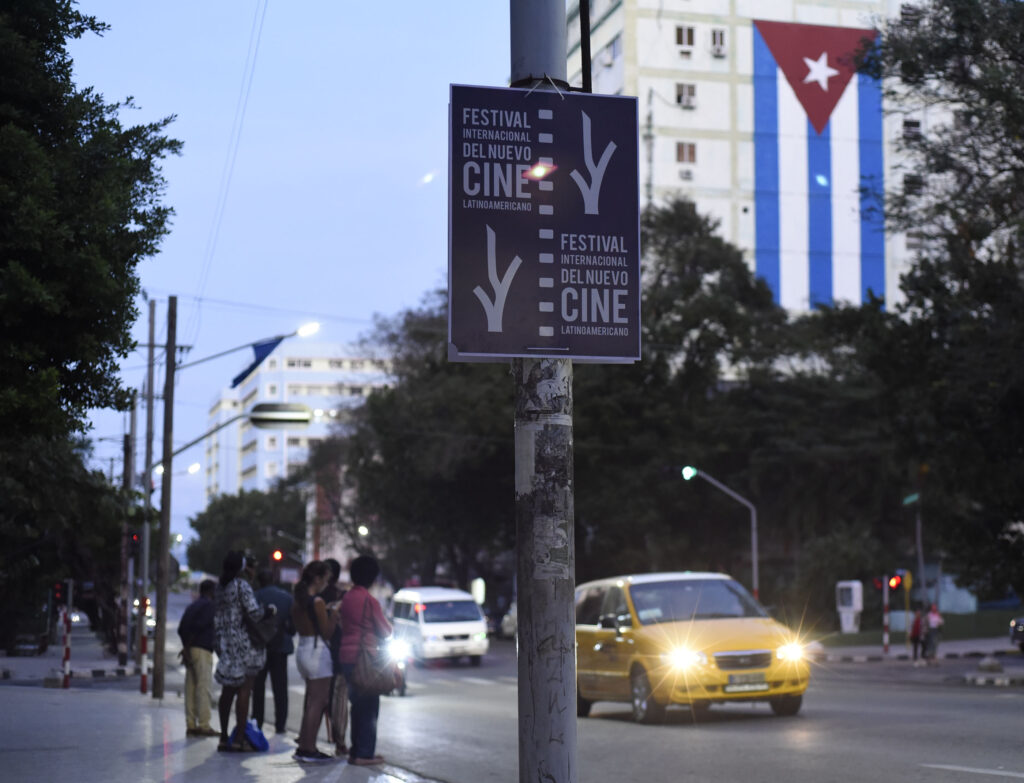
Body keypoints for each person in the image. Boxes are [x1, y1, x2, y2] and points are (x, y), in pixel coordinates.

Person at [214, 551, 275, 752]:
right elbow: (254, 614)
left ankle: (223, 736)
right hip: (244, 644)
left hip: (225, 643)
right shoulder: (242, 586)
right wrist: (270, 611)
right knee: (244, 691)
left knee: (227, 691)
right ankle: (239, 738)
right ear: (241, 567)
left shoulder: (220, 588)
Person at [339, 555, 392, 766]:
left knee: (357, 705)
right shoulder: (369, 601)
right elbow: (385, 631)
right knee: (369, 706)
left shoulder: (348, 597)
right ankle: (365, 754)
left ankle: (356, 750)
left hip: (347, 655)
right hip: (365, 657)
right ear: (371, 577)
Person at [291, 560, 340, 763]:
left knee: (312, 700)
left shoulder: (297, 602)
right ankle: (308, 747)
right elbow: (327, 632)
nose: (326, 584)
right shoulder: (317, 602)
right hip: (317, 651)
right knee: (318, 702)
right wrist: (334, 615)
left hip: (303, 649)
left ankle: (305, 745)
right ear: (317, 579)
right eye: (325, 580)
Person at [252, 568, 295, 736]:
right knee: (280, 687)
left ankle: (258, 721)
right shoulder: (286, 597)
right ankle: (280, 724)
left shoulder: (255, 597)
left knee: (258, 687)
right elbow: (292, 626)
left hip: (261, 646)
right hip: (281, 646)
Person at [178, 579, 219, 737]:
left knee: (191, 687)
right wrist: (188, 646)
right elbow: (200, 626)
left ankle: (190, 723)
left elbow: (182, 628)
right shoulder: (209, 606)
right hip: (201, 649)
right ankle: (203, 724)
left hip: (191, 651)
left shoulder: (193, 605)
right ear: (210, 591)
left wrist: (186, 648)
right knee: (203, 687)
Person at [320, 557, 349, 757]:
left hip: (320, 652)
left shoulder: (316, 596)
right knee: (339, 698)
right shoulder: (343, 596)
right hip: (339, 651)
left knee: (319, 697)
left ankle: (310, 738)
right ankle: (339, 741)